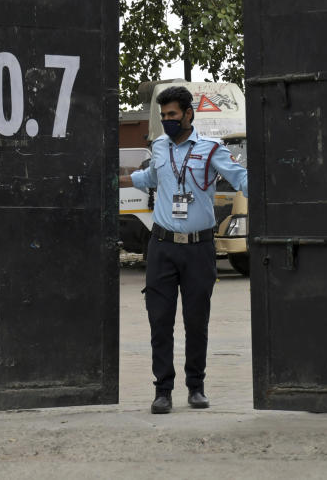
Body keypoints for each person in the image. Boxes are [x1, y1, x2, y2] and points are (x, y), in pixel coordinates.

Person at [118, 86, 248, 414]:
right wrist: (124, 179)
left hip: (198, 250)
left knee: (196, 321)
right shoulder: (160, 147)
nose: (167, 121)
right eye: (163, 116)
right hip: (161, 248)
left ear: (189, 114)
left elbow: (239, 177)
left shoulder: (210, 149)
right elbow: (153, 176)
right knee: (159, 321)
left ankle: (196, 387)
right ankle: (162, 391)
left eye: (172, 115)